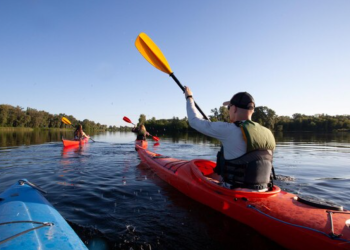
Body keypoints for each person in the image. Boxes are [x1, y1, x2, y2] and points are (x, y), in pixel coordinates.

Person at [184, 86, 276, 192]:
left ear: (235, 108)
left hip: (235, 192)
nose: (228, 111)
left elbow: (194, 121)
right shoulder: (268, 132)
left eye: (229, 108)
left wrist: (189, 97)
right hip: (265, 190)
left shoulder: (230, 129)